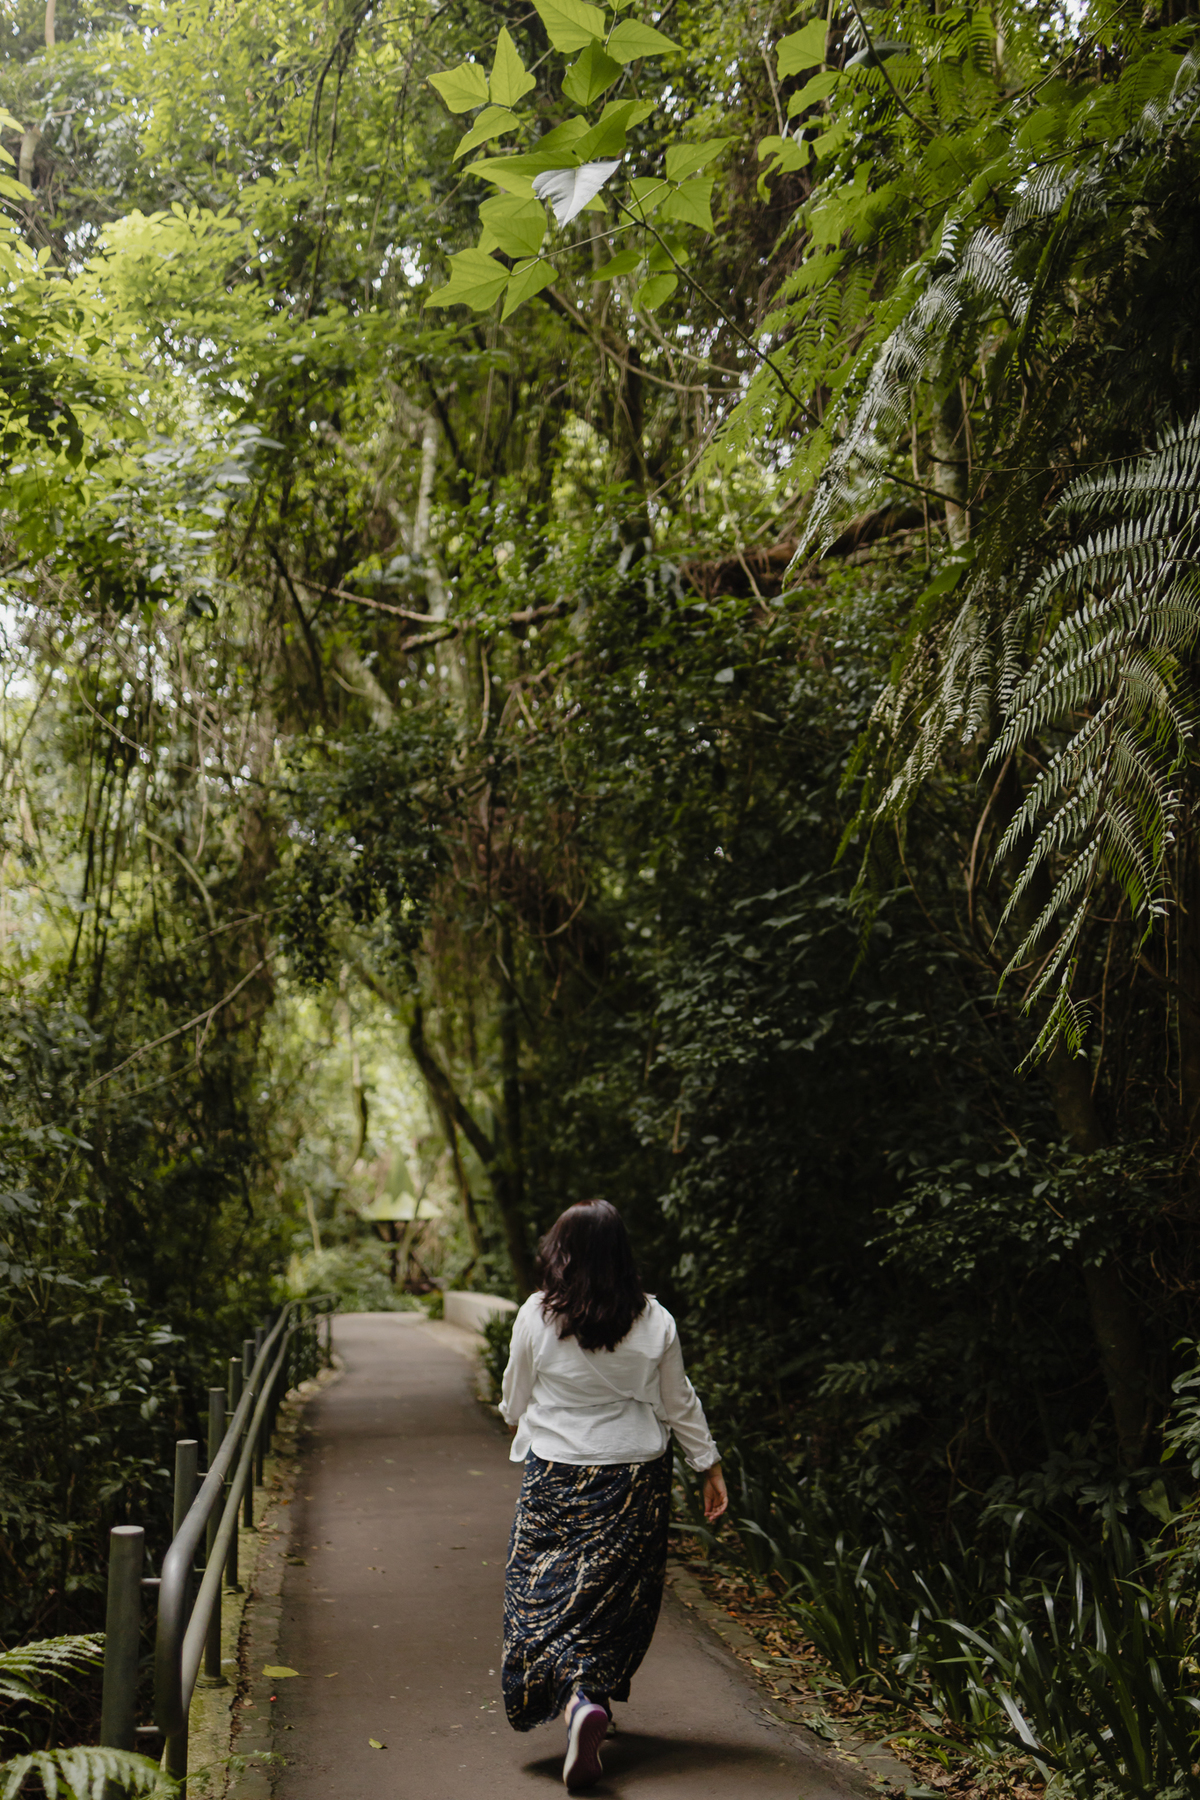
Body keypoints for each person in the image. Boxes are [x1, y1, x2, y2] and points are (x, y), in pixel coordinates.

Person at [499, 1198, 728, 1791]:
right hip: (632, 1477)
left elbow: (514, 1398)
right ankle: (589, 1697)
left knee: (538, 1590)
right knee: (615, 1598)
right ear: (622, 1255)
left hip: (554, 1472)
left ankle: (577, 1703)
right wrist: (709, 1465)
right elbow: (680, 1402)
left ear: (562, 1253)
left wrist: (518, 1418)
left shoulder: (535, 1315)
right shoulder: (655, 1320)